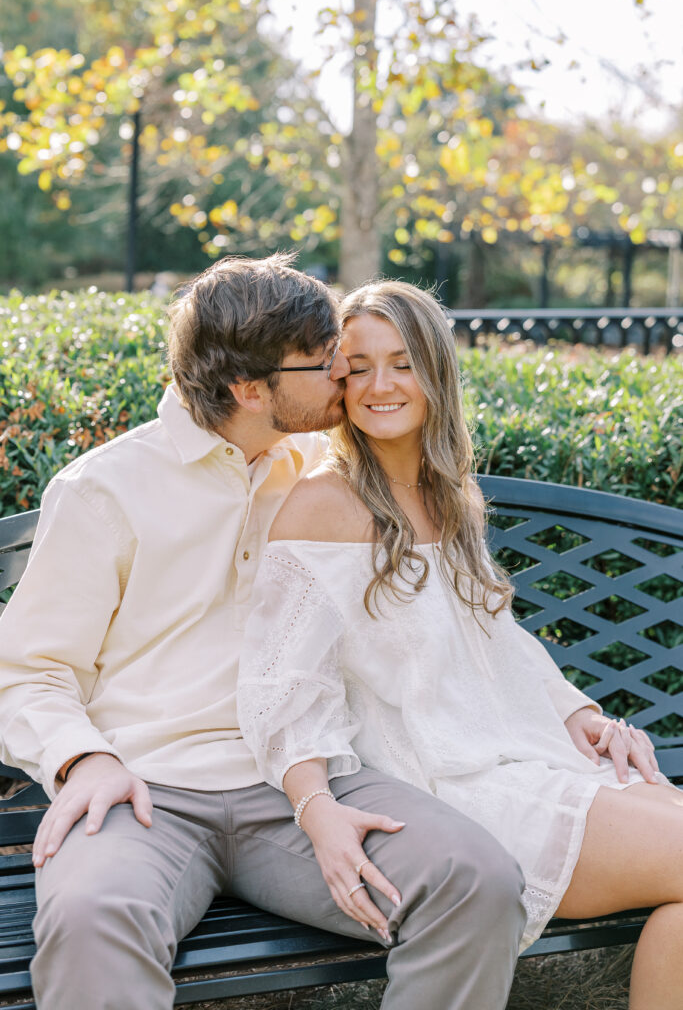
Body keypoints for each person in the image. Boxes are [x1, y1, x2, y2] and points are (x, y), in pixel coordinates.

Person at [0, 255, 527, 1010]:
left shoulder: (327, 468)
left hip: (310, 776)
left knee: (475, 881)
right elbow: (28, 671)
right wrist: (82, 761)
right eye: (326, 362)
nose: (346, 371)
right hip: (147, 792)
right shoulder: (103, 491)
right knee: (90, 921)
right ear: (250, 390)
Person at [238, 278, 683, 1009]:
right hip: (447, 789)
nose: (381, 384)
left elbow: (496, 637)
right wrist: (315, 804)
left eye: (403, 362)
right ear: (337, 382)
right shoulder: (325, 503)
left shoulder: (448, 495)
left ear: (436, 373)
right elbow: (281, 687)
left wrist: (582, 715)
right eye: (358, 365)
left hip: (526, 755)